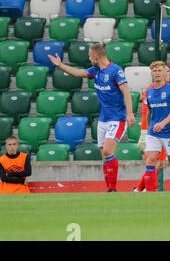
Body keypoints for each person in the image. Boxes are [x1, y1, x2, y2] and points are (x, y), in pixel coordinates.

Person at [48, 44, 136, 192]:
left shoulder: (116, 70)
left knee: (108, 151)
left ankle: (113, 189)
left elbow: (126, 91)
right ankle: (109, 189)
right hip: (103, 119)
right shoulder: (95, 71)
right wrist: (60, 65)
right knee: (104, 157)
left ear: (96, 56)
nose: (89, 58)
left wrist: (130, 113)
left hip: (117, 118)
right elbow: (77, 73)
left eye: (90, 55)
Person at [143, 61, 170, 192]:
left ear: (164, 72)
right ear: (151, 73)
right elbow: (149, 112)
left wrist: (162, 124)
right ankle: (150, 194)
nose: (157, 73)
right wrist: (149, 129)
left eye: (159, 71)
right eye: (154, 71)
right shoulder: (148, 92)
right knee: (150, 161)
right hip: (154, 133)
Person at [134, 66, 170, 192]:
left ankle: (140, 189)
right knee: (154, 162)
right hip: (151, 131)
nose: (168, 73)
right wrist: (146, 132)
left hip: (163, 131)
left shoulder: (168, 89)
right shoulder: (151, 90)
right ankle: (147, 189)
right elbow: (149, 113)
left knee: (159, 164)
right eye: (166, 70)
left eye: (168, 70)